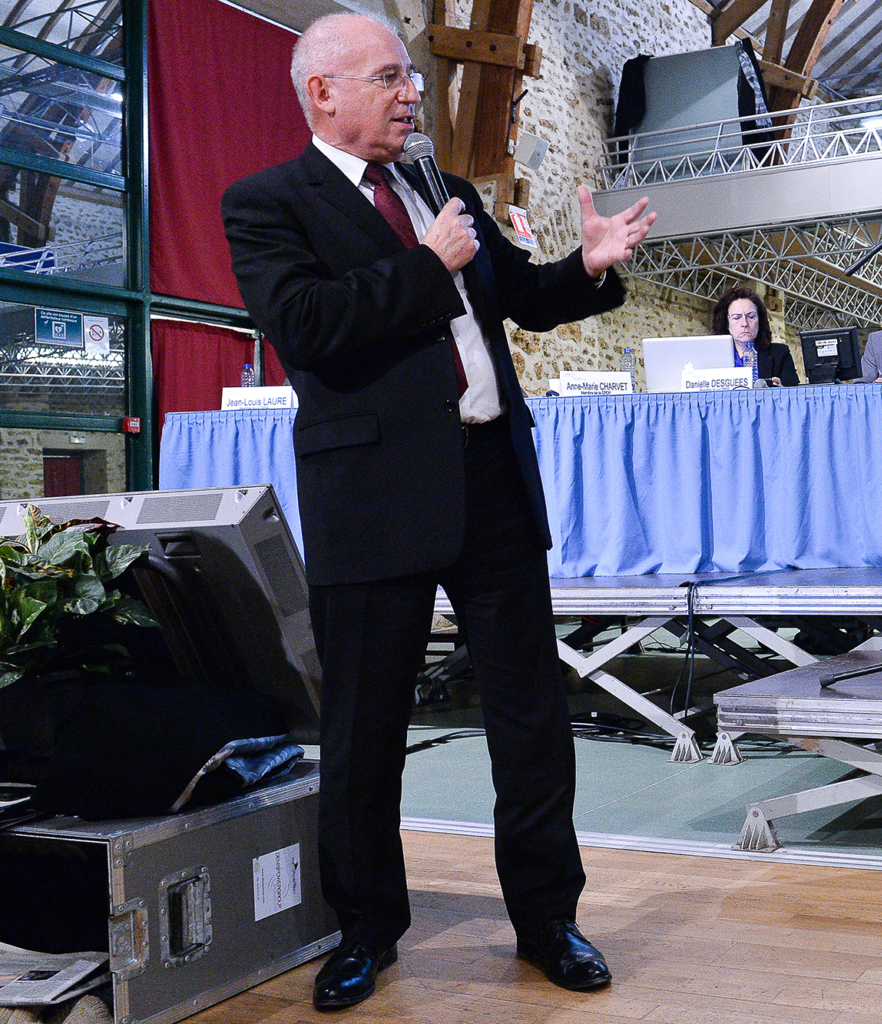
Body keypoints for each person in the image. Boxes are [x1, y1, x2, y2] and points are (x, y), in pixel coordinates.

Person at [220, 12, 654, 1011]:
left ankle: (548, 919)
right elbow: (307, 327)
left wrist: (588, 265)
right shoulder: (268, 203)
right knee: (366, 729)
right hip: (373, 497)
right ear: (322, 92)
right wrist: (428, 263)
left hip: (492, 478)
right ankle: (365, 930)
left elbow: (522, 298)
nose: (410, 92)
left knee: (531, 718)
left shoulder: (442, 189)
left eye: (409, 76)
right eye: (387, 77)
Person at [710, 286, 799, 386]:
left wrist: (781, 390)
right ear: (726, 323)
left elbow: (795, 392)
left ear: (759, 320)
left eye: (751, 316)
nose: (744, 323)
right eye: (737, 318)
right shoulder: (713, 358)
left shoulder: (780, 354)